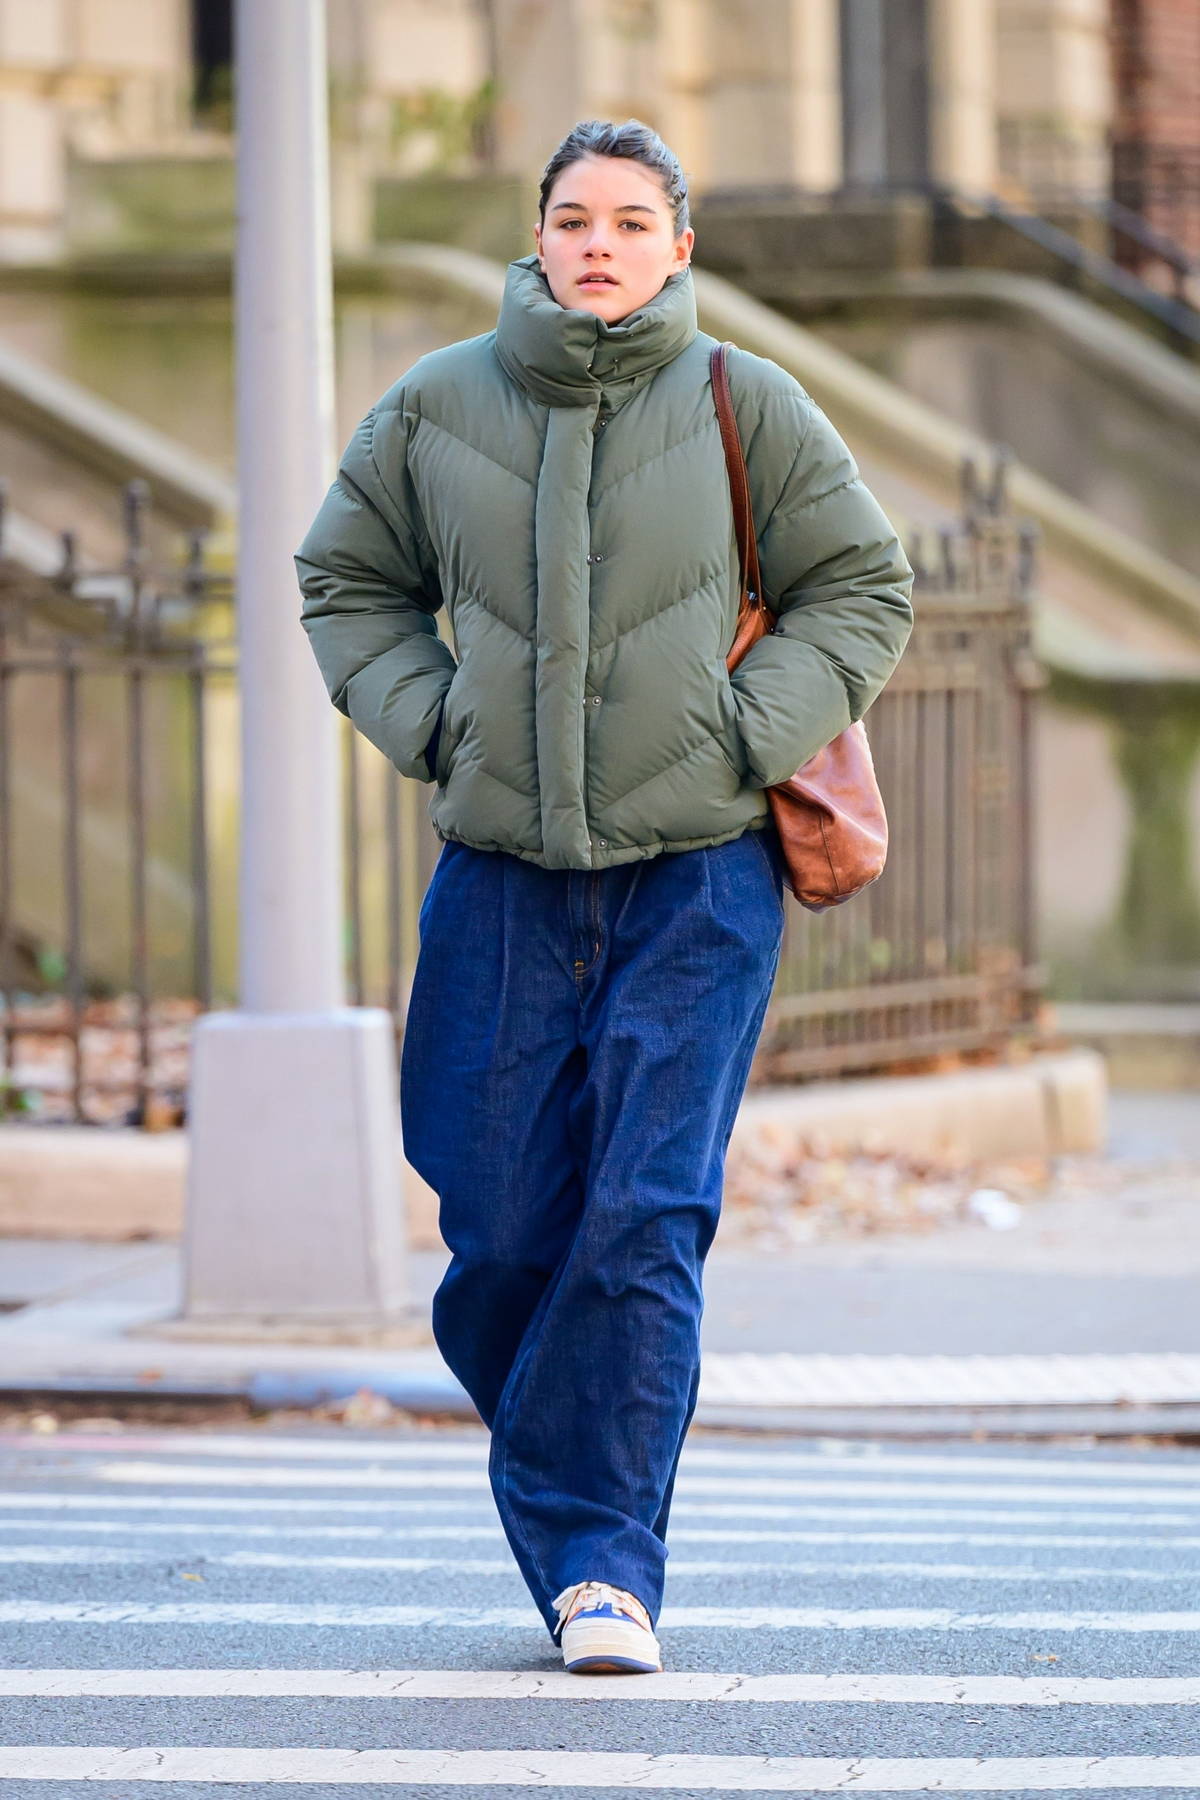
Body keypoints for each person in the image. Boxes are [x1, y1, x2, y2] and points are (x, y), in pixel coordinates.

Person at [295, 118, 914, 1676]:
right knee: (500, 1227)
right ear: (539, 235)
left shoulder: (745, 402)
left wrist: (738, 733)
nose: (600, 242)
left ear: (679, 249)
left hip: (699, 884)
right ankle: (577, 1489)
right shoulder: (438, 405)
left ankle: (605, 1568)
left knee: (645, 1216)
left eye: (634, 221)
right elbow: (344, 580)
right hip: (500, 884)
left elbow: (867, 587)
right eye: (575, 216)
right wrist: (437, 722)